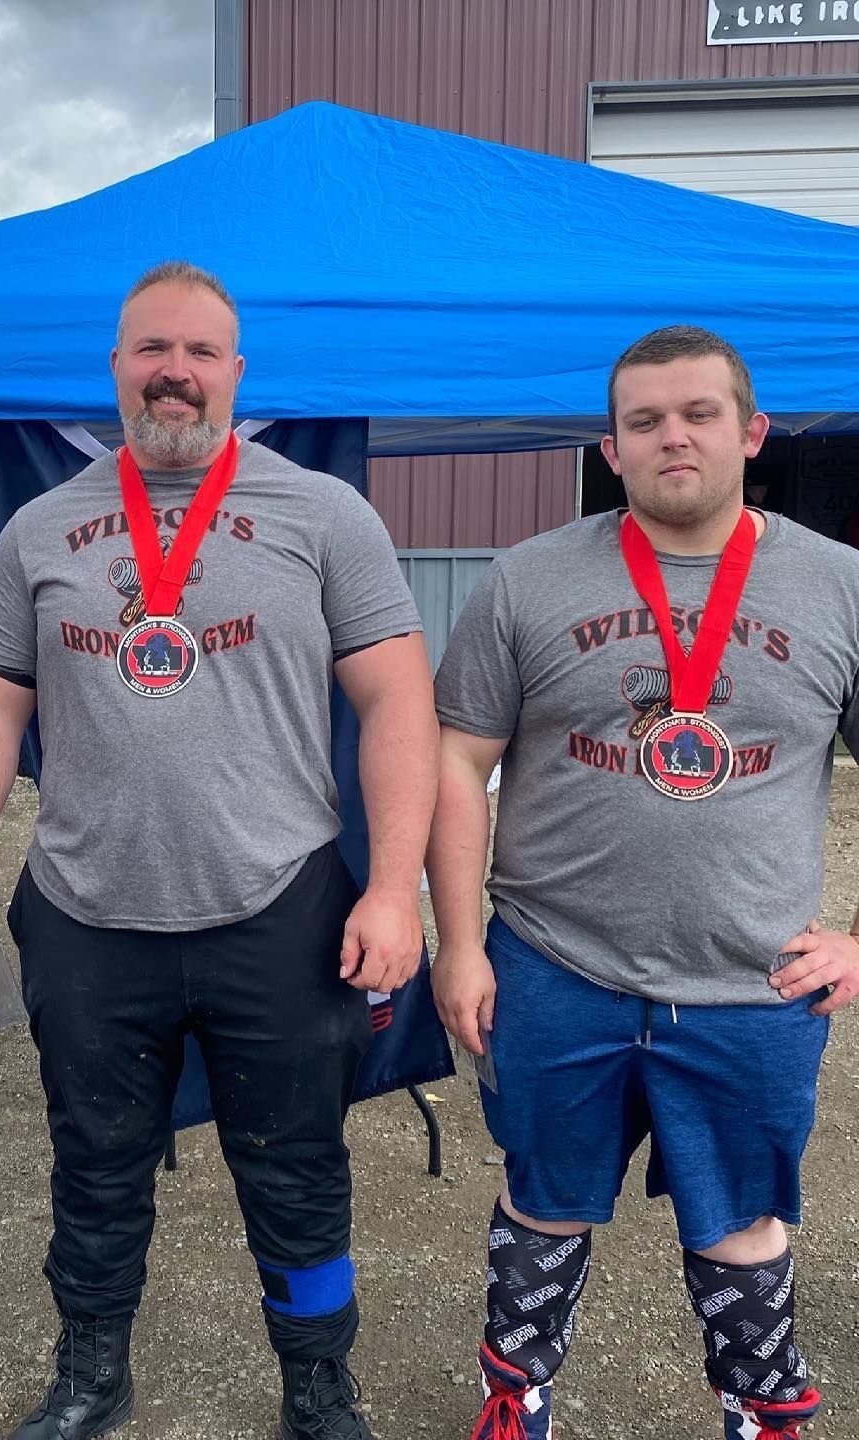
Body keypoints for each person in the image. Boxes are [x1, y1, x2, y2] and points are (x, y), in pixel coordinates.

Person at [0, 260, 437, 1440]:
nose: (176, 372)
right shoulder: (43, 527)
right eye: (153, 349)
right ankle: (92, 1376)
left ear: (237, 375)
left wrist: (394, 888)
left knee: (297, 1169)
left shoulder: (324, 513)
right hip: (89, 912)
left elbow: (400, 703)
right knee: (94, 1166)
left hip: (278, 907)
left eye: (202, 352)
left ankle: (319, 1387)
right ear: (115, 370)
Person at [427, 325, 859, 1440]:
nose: (674, 436)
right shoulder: (529, 578)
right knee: (543, 1198)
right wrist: (463, 944)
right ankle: (517, 1399)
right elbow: (457, 758)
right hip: (553, 964)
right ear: (610, 448)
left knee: (744, 1217)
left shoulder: (839, 585)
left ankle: (765, 1413)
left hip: (751, 984)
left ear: (751, 431)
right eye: (645, 420)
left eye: (699, 414)